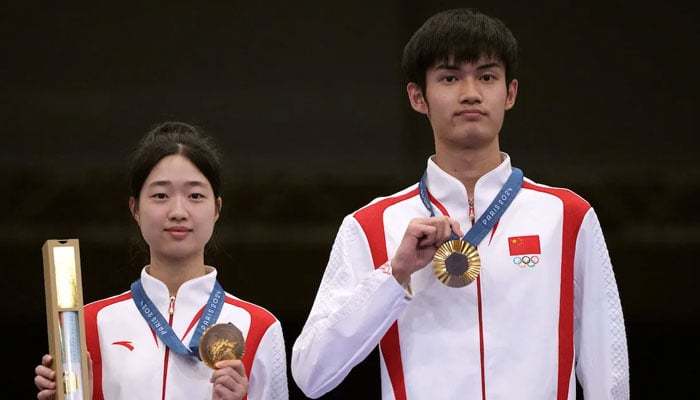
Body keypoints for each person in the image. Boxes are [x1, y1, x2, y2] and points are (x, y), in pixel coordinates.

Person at [291, 8, 629, 400]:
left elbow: (608, 370)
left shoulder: (568, 217)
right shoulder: (371, 226)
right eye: (450, 78)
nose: (470, 92)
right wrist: (394, 274)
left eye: (487, 76)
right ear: (418, 97)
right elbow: (311, 374)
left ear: (511, 92)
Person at [34, 121, 289, 400]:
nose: (178, 211)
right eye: (160, 195)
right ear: (135, 209)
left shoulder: (260, 327)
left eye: (195, 195)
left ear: (216, 208)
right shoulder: (87, 326)